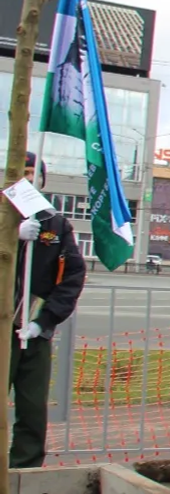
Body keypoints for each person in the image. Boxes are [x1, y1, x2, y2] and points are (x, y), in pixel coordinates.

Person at [7, 152, 85, 469]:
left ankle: (24, 468)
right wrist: (10, 236)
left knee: (32, 404)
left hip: (33, 330)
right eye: (22, 172)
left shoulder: (56, 224)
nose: (28, 178)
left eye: (33, 173)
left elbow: (72, 276)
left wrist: (44, 321)